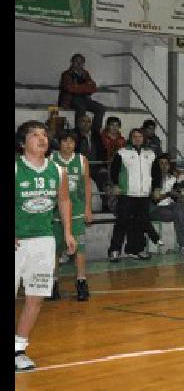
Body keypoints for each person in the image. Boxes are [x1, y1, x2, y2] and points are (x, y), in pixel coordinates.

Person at [15, 120, 76, 371]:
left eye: (44, 135)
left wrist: (68, 232)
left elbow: (63, 201)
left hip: (44, 240)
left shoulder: (58, 170)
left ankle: (18, 349)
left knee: (36, 297)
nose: (42, 139)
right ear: (22, 143)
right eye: (35, 135)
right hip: (18, 241)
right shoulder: (17, 169)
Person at [49, 130, 93, 302]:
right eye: (65, 141)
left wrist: (88, 208)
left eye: (72, 141)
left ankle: (81, 282)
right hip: (55, 213)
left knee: (79, 249)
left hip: (76, 212)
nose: (69, 145)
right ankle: (53, 283)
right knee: (55, 250)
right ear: (59, 143)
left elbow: (87, 185)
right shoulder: (51, 159)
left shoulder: (82, 160)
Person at [108, 128, 158, 261]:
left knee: (140, 224)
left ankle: (137, 250)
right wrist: (116, 185)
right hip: (126, 194)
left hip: (144, 195)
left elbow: (156, 173)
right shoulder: (122, 152)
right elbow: (113, 170)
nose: (137, 139)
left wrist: (157, 188)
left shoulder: (151, 154)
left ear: (144, 138)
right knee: (121, 223)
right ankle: (114, 251)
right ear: (130, 138)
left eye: (140, 136)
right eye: (134, 136)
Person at [150, 153, 184, 254]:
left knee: (179, 208)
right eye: (161, 163)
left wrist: (180, 197)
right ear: (156, 165)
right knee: (179, 214)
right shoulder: (152, 179)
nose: (164, 166)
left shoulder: (172, 179)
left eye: (166, 163)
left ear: (169, 165)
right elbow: (154, 200)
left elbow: (175, 196)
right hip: (154, 209)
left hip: (168, 208)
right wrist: (168, 194)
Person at [58, 53, 105, 133]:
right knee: (81, 107)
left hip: (84, 99)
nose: (79, 64)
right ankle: (79, 132)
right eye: (76, 62)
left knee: (100, 108)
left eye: (81, 62)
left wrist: (79, 87)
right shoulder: (66, 74)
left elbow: (93, 88)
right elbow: (70, 88)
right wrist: (85, 87)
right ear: (72, 62)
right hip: (70, 99)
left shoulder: (85, 74)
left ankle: (95, 132)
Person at [76, 114, 111, 211]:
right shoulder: (74, 136)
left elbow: (103, 151)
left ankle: (106, 204)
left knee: (104, 175)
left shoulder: (96, 136)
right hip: (80, 168)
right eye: (83, 121)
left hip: (95, 166)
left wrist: (103, 165)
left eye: (88, 122)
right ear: (78, 124)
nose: (86, 124)